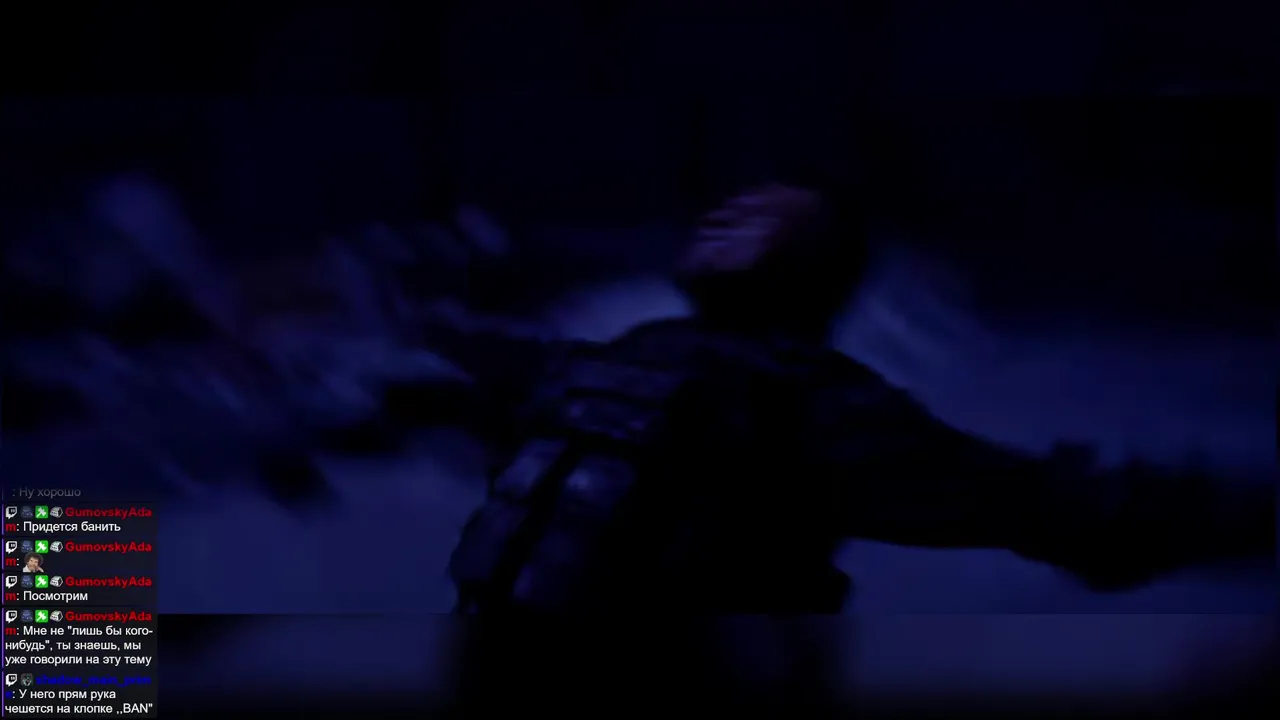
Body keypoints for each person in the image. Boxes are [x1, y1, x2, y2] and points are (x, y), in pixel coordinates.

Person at [421, 181, 1274, 614]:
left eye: (763, 217)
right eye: (732, 209)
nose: (728, 216)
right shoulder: (673, 366)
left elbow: (1045, 507)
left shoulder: (780, 397)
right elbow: (1061, 511)